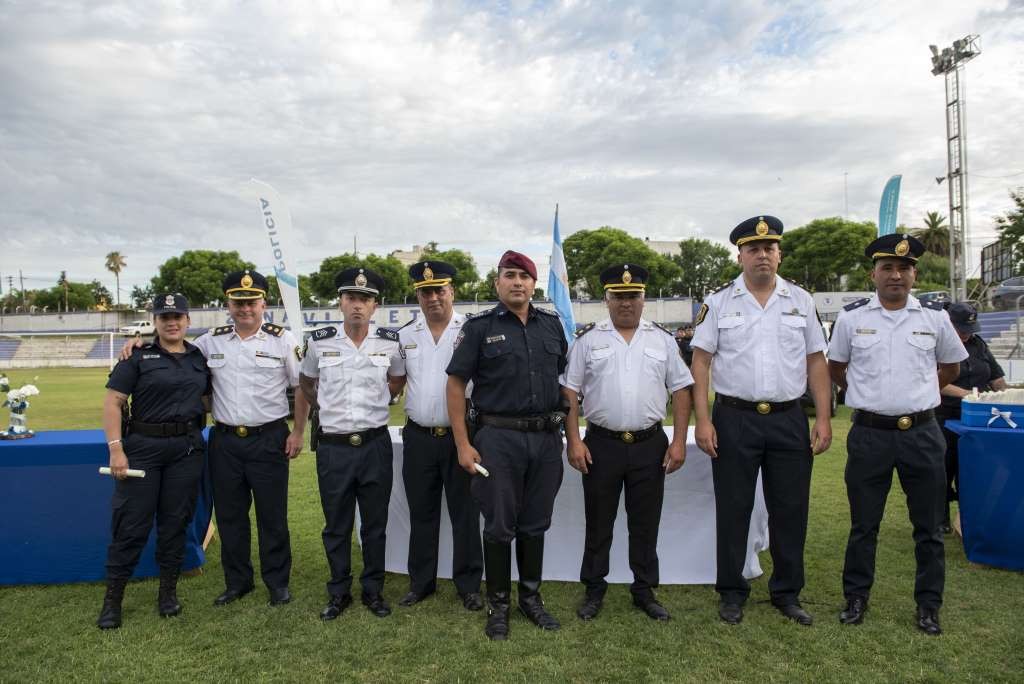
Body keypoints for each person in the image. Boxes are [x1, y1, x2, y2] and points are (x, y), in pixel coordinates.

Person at [120, 270, 308, 608]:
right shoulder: (210, 341)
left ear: (264, 302)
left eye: (252, 301)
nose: (246, 308)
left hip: (269, 439)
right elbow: (172, 350)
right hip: (224, 443)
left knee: (272, 516)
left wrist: (297, 431)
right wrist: (139, 344)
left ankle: (277, 583)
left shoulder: (283, 340)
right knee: (230, 516)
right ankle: (238, 583)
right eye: (238, 302)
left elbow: (301, 387)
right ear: (228, 305)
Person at [691, 215, 832, 627]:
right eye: (753, 249)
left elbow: (816, 363)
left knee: (790, 509)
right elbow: (701, 363)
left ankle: (787, 592)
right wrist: (703, 420)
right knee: (733, 508)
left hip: (788, 419)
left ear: (779, 254)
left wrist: (823, 418)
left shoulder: (800, 300)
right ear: (740, 255)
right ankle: (732, 592)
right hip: (734, 417)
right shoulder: (718, 303)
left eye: (769, 248)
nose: (763, 255)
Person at [828, 233, 967, 636]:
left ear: (914, 274)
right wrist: (867, 393)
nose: (895, 275)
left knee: (927, 528)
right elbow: (837, 368)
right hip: (870, 434)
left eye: (903, 268)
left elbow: (951, 369)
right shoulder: (852, 319)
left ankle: (928, 605)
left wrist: (918, 393)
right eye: (887, 267)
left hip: (922, 433)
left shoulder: (935, 319)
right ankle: (856, 598)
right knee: (863, 525)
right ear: (873, 273)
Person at [446, 250, 568, 641]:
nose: (517, 282)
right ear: (497, 283)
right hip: (498, 439)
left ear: (535, 285)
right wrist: (463, 444)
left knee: (535, 524)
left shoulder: (552, 325)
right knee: (499, 526)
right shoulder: (480, 327)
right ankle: (499, 606)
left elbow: (566, 381)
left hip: (546, 439)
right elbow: (455, 384)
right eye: (509, 275)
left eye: (524, 276)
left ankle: (530, 599)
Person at [560, 264, 694, 622]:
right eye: (618, 297)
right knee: (598, 521)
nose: (626, 303)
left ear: (643, 298)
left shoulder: (662, 340)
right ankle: (594, 589)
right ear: (606, 299)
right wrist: (574, 440)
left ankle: (644, 590)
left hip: (650, 444)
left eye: (632, 296)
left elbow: (681, 390)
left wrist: (679, 441)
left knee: (645, 522)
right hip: (601, 444)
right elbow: (569, 392)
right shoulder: (588, 340)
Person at [98, 293, 210, 629]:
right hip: (143, 449)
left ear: (188, 320)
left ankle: (168, 594)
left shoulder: (199, 357)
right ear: (155, 321)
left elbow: (208, 400)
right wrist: (116, 449)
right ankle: (113, 602)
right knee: (131, 526)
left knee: (175, 523)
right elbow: (113, 403)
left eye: (178, 316)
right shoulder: (137, 356)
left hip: (186, 449)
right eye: (165, 317)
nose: (172, 322)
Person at [299, 266, 404, 621]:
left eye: (366, 299)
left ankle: (373, 590)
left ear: (376, 305)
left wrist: (381, 399)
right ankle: (339, 590)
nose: (358, 305)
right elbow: (307, 383)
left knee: (374, 523)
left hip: (375, 444)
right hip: (334, 447)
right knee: (337, 524)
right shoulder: (319, 341)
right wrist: (327, 408)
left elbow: (397, 378)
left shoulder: (391, 341)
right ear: (340, 302)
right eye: (351, 298)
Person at [390, 261, 484, 611]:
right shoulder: (405, 335)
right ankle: (421, 582)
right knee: (422, 513)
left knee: (465, 513)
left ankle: (469, 585)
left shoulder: (471, 330)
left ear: (451, 292)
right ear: (417, 295)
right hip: (418, 438)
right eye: (425, 292)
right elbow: (396, 382)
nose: (432, 298)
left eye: (439, 290)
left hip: (461, 437)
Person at [935, 302, 1007, 533]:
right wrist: (970, 395)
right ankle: (940, 518)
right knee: (943, 468)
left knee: (972, 469)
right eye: (961, 329)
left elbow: (996, 378)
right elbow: (934, 381)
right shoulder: (936, 345)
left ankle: (971, 516)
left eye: (970, 329)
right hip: (945, 416)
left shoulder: (979, 345)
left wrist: (1009, 395)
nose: (966, 334)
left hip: (977, 419)